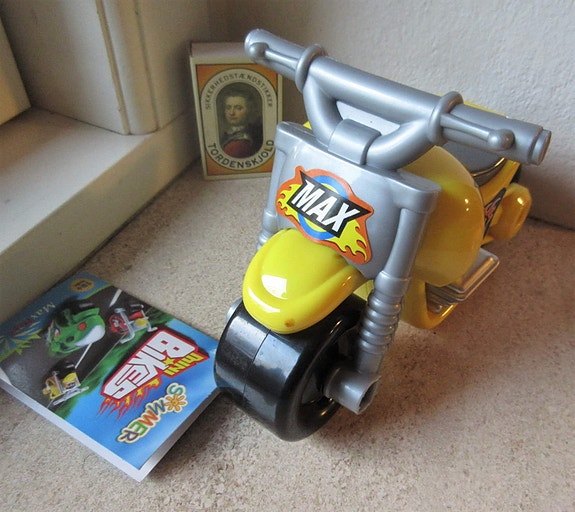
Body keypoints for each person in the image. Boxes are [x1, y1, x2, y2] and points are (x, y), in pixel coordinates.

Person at [219, 87, 262, 158]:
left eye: (238, 108)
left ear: (249, 110)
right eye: (228, 107)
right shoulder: (226, 134)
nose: (231, 113)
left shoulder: (243, 142)